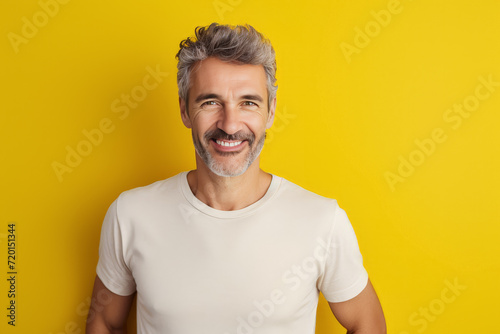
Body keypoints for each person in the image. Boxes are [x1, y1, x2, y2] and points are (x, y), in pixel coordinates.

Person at [86, 22, 386, 334]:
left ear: (270, 112)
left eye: (248, 103)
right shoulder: (131, 214)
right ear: (185, 110)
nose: (230, 125)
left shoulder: (323, 221)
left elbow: (368, 324)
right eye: (211, 102)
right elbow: (104, 321)